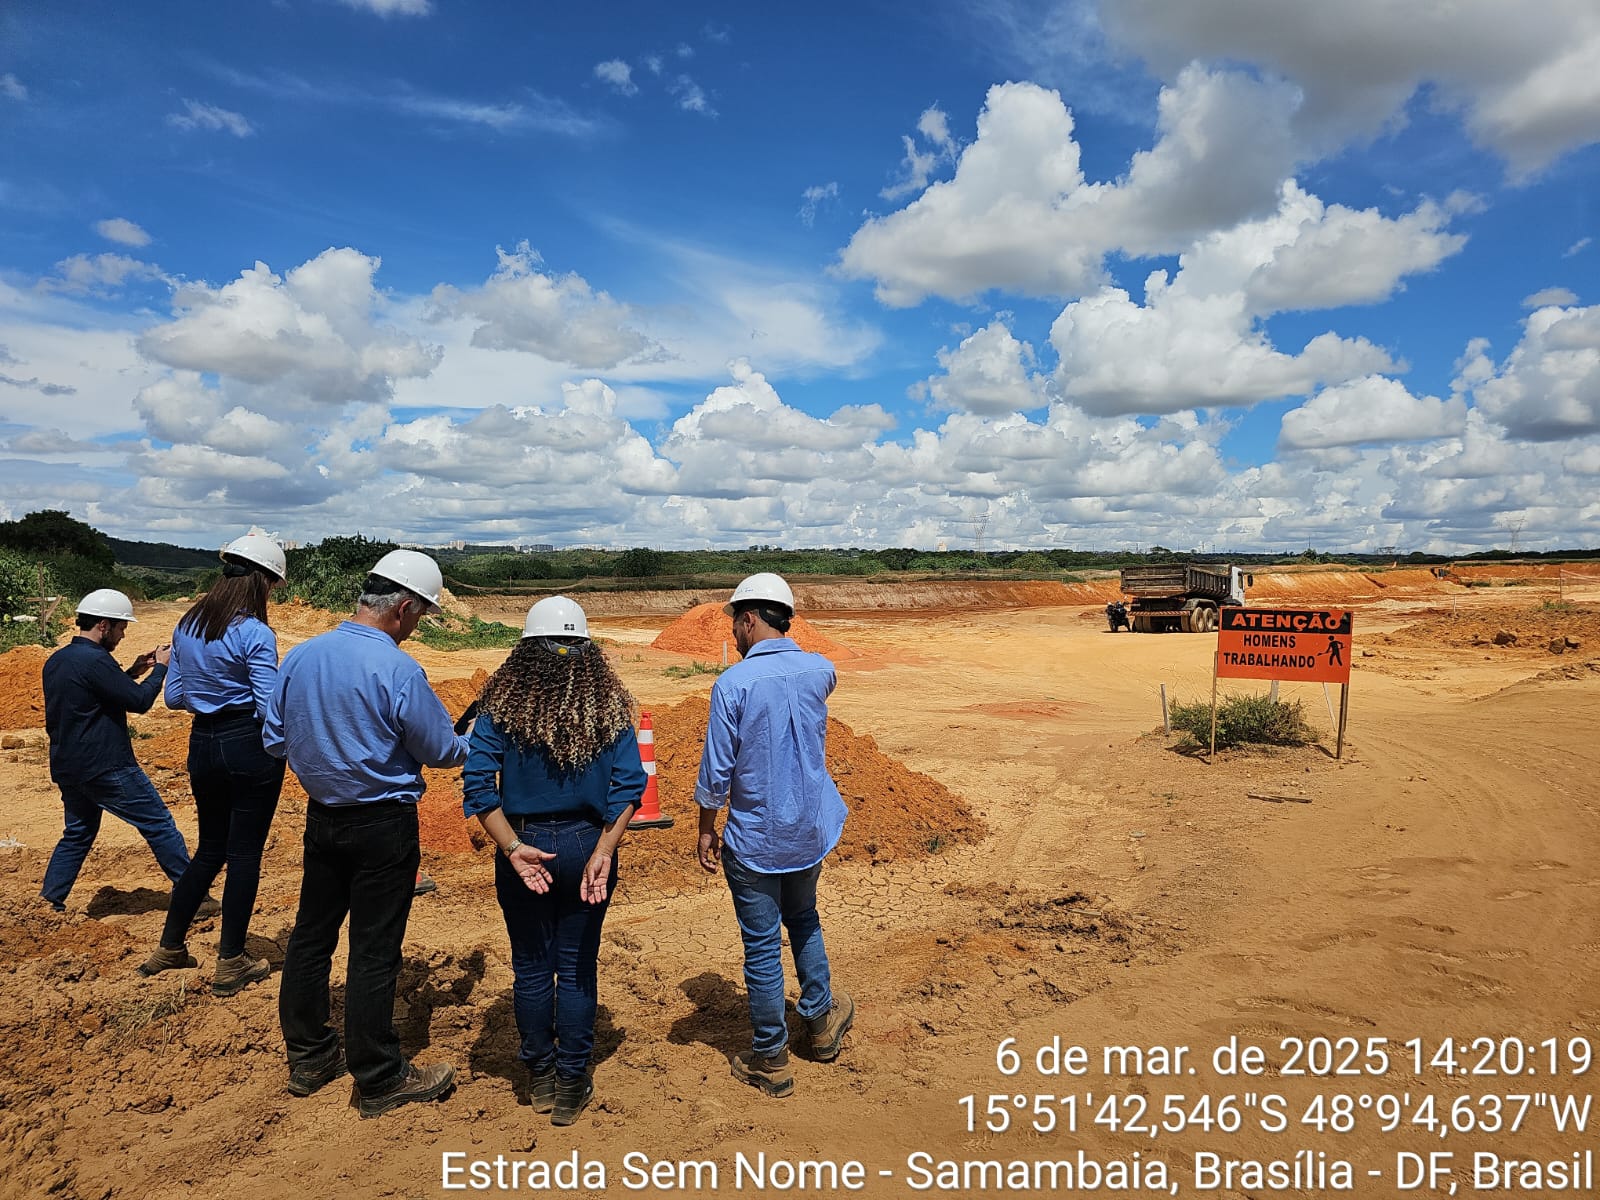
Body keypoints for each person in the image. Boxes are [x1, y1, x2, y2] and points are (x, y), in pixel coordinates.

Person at [263, 550, 467, 1118]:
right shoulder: (398, 669)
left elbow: (274, 739)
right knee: (374, 950)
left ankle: (309, 1057)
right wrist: (466, 744)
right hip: (383, 825)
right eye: (420, 614)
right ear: (403, 608)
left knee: (311, 937)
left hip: (322, 819)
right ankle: (378, 1076)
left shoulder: (301, 656)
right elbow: (442, 750)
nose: (417, 624)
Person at [463, 597, 645, 1127]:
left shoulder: (503, 706)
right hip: (588, 845)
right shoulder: (608, 707)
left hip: (526, 846)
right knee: (576, 966)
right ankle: (571, 1082)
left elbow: (478, 789)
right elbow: (630, 787)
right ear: (587, 652)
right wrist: (603, 852)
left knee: (532, 969)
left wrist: (514, 849)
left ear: (525, 651)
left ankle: (539, 1077)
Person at [694, 572, 855, 1098]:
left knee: (762, 947)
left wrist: (705, 829)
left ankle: (770, 1056)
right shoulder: (819, 670)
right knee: (804, 917)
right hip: (809, 829)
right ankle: (822, 1021)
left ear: (747, 619)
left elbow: (717, 771)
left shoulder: (733, 684)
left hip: (758, 836)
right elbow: (819, 677)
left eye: (736, 625)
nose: (736, 636)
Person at [139, 530, 288, 995]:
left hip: (201, 743)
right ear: (262, 581)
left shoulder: (187, 625)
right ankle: (231, 961)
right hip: (247, 744)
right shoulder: (255, 633)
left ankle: (168, 947)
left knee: (209, 850)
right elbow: (268, 708)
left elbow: (176, 697)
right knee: (244, 854)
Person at [40, 590, 196, 914]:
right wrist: (160, 670)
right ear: (103, 625)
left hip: (68, 766)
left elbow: (95, 698)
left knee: (78, 832)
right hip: (106, 765)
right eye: (121, 627)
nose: (123, 634)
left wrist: (135, 671)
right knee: (158, 822)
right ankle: (192, 894)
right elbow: (138, 703)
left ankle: (49, 900)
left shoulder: (58, 660)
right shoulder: (96, 660)